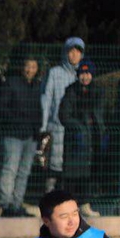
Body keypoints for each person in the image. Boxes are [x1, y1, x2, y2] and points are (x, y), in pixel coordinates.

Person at [57, 62, 105, 218]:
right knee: (73, 174)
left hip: (92, 140)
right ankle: (70, 207)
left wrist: (101, 131)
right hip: (75, 142)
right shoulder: (71, 91)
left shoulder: (97, 91)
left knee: (88, 174)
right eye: (82, 74)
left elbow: (98, 114)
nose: (85, 77)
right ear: (78, 75)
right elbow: (64, 115)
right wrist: (78, 127)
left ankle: (85, 205)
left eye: (88, 73)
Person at [0, 57, 42, 217]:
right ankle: (6, 204)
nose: (30, 69)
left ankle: (17, 203)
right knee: (10, 168)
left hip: (30, 135)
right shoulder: (11, 83)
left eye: (33, 66)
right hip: (13, 134)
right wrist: (15, 121)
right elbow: (2, 107)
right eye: (27, 66)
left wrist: (37, 130)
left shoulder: (37, 86)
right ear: (22, 67)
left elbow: (39, 110)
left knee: (24, 172)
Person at [40, 37, 85, 193]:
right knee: (54, 166)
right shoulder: (54, 73)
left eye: (78, 52)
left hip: (75, 130)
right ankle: (49, 198)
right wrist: (44, 126)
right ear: (65, 52)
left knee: (72, 167)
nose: (74, 55)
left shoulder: (83, 75)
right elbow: (46, 98)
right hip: (56, 127)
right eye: (71, 51)